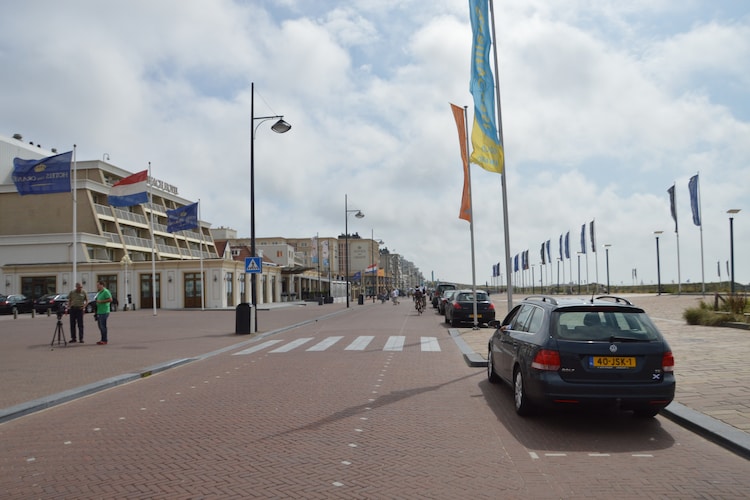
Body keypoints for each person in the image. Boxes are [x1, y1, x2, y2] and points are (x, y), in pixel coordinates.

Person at [94, 280, 113, 345]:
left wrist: (101, 301)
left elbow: (110, 299)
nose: (97, 286)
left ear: (102, 285)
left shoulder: (106, 291)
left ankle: (105, 340)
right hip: (99, 311)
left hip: (104, 311)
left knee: (103, 326)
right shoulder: (99, 292)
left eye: (98, 285)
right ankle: (102, 339)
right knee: (100, 326)